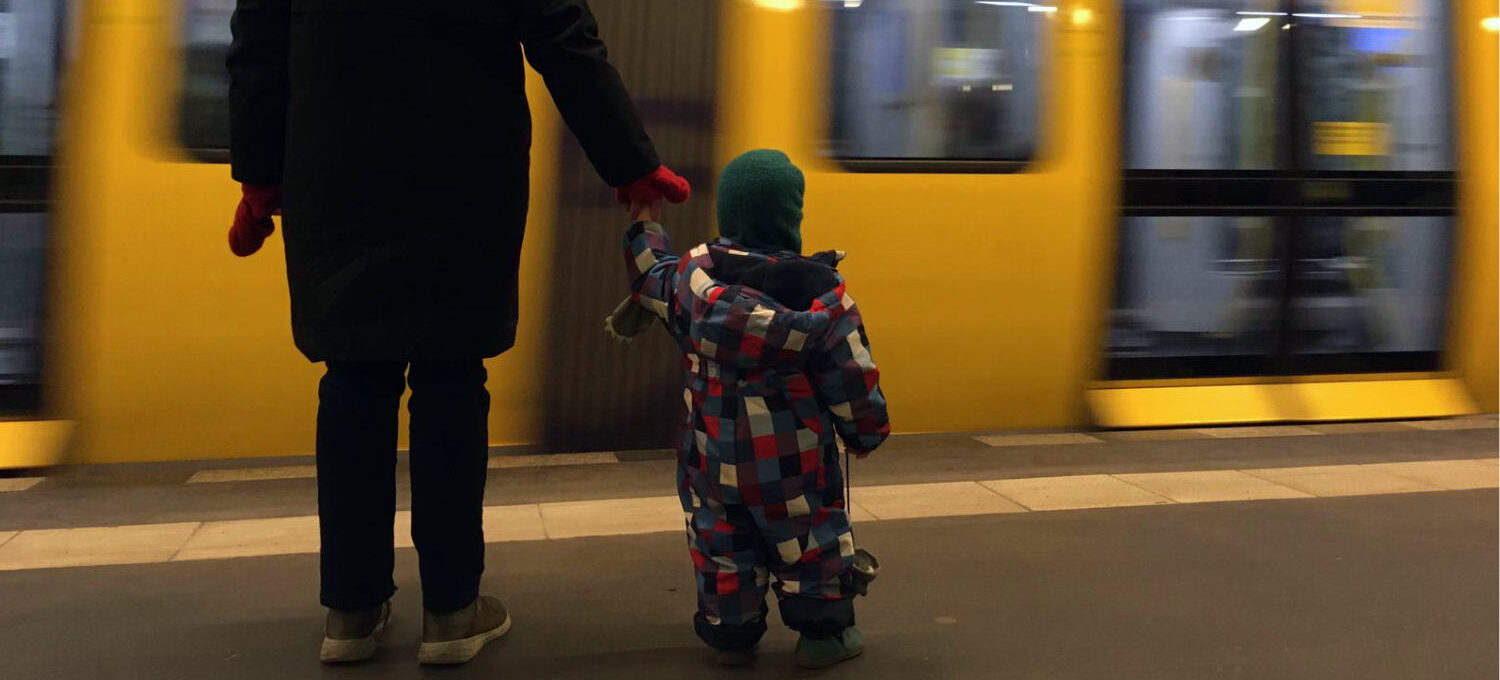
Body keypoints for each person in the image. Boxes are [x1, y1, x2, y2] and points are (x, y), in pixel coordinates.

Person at [225, 0, 689, 666]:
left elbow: (258, 45)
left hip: (336, 170)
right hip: (465, 173)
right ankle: (451, 613)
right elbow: (564, 38)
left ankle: (350, 612)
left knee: (354, 375)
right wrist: (628, 163)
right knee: (451, 375)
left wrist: (259, 170)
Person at [610, 149, 890, 669]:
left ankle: (731, 636)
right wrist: (865, 433)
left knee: (721, 545)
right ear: (793, 218)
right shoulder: (825, 304)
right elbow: (854, 379)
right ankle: (824, 637)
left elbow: (651, 274)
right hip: (794, 469)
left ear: (727, 217)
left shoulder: (691, 289)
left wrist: (644, 221)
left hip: (711, 462)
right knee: (810, 544)